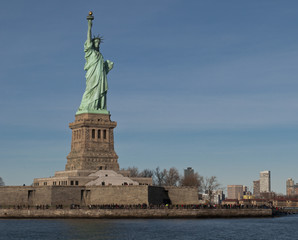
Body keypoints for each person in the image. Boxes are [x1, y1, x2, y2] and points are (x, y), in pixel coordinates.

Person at [77, 15, 113, 113]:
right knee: (89, 90)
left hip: (100, 77)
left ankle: (98, 107)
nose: (97, 44)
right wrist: (89, 25)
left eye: (98, 43)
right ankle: (88, 106)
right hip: (92, 75)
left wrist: (107, 68)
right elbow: (89, 38)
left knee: (99, 91)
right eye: (95, 42)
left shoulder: (100, 56)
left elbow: (103, 69)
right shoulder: (90, 52)